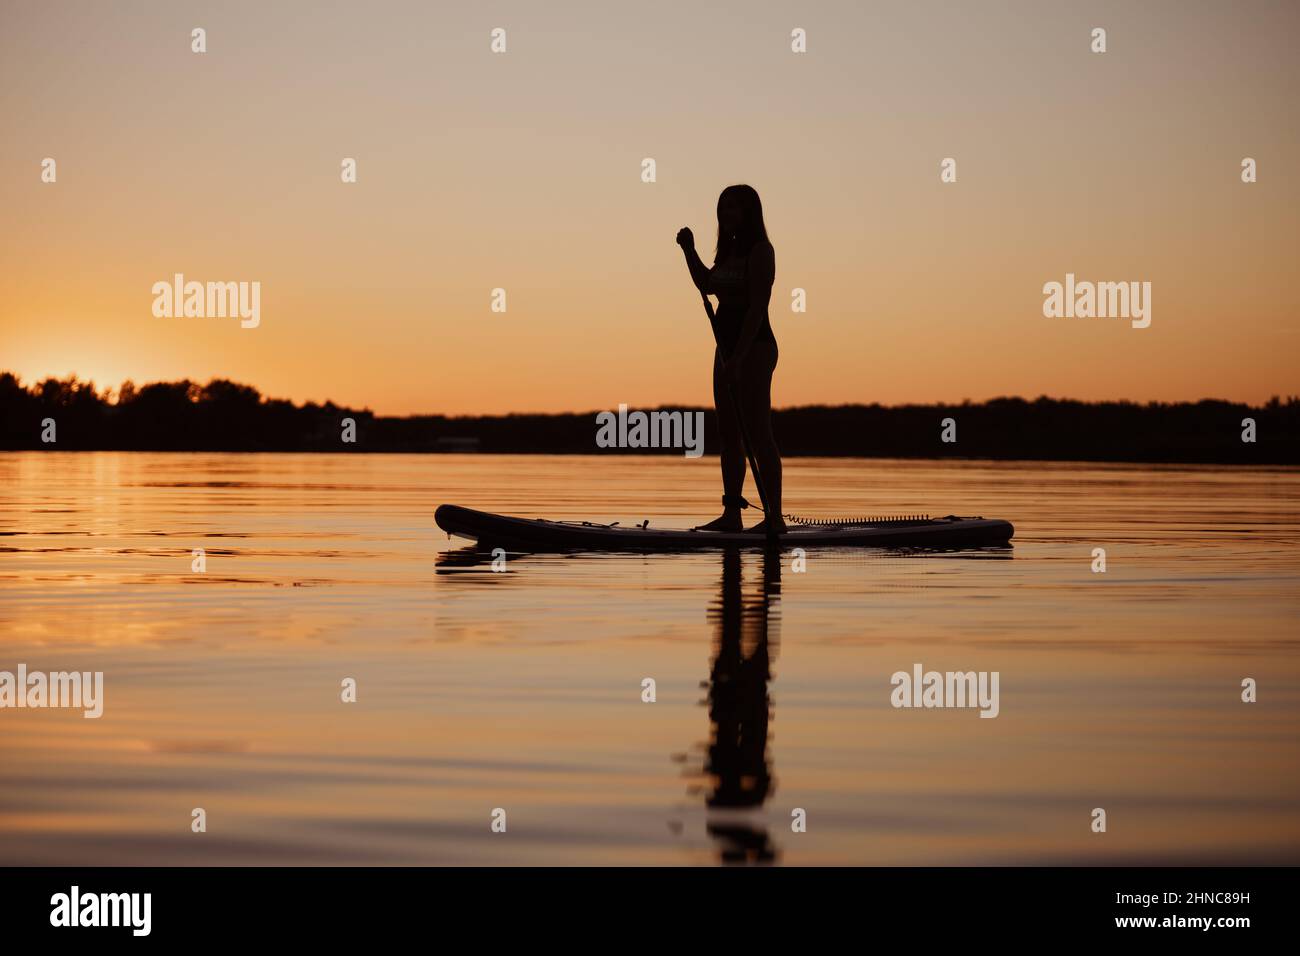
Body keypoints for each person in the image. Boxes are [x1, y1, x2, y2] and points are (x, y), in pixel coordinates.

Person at [676, 184, 784, 534]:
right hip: (725, 351)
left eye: (734, 208)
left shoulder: (761, 251)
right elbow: (706, 284)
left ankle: (774, 518)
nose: (726, 214)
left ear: (749, 212)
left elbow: (757, 309)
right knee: (728, 434)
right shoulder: (728, 253)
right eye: (723, 208)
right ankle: (732, 514)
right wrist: (689, 251)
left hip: (755, 348)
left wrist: (739, 358)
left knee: (758, 432)